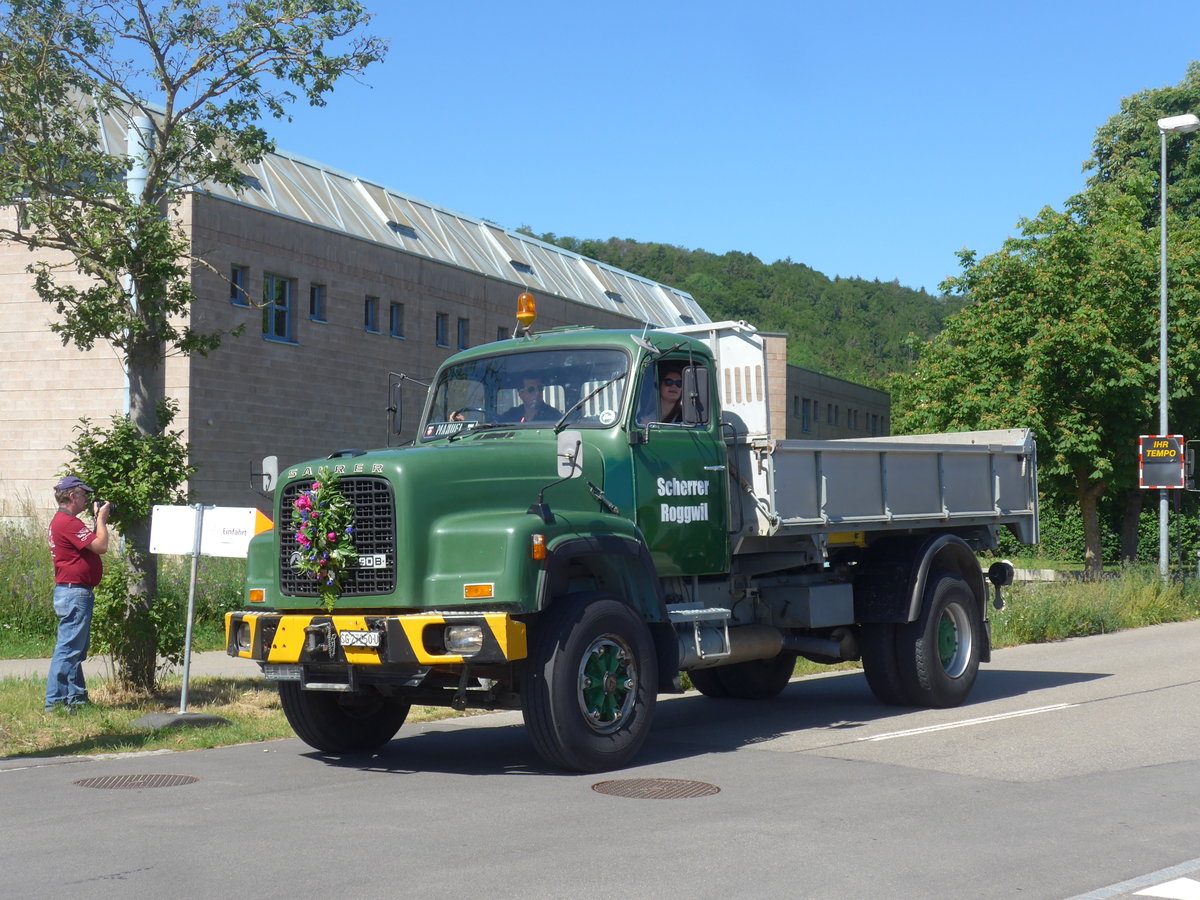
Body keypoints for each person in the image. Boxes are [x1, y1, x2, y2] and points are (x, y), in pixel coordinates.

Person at [45, 475, 111, 713]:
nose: (86, 500)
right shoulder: (68, 523)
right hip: (75, 593)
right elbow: (101, 546)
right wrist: (102, 519)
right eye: (84, 495)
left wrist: (96, 521)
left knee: (76, 649)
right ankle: (54, 702)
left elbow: (91, 544)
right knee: (68, 650)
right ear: (72, 495)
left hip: (71, 591)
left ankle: (76, 698)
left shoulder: (63, 521)